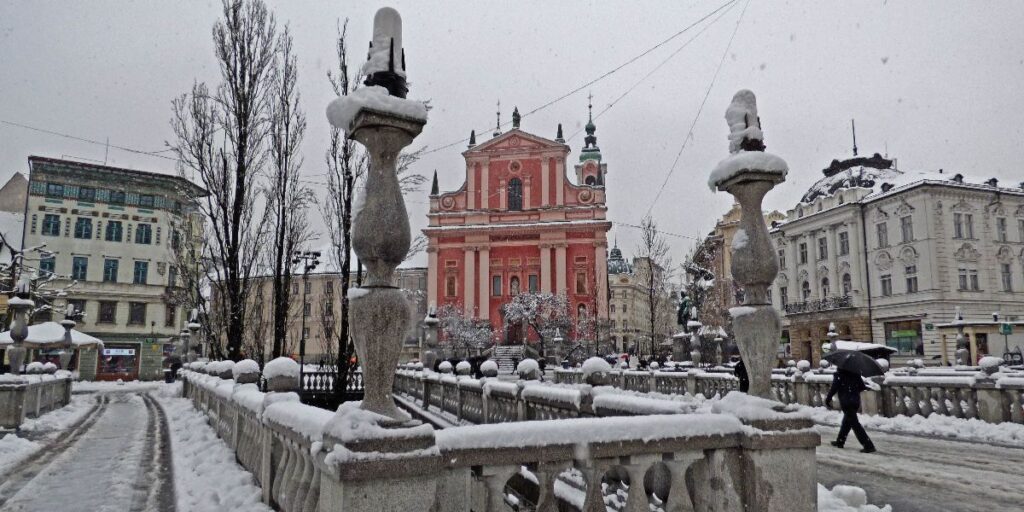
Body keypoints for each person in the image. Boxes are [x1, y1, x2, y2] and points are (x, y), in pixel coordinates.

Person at [825, 368, 876, 453]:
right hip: (855, 402)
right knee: (847, 422)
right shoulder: (855, 374)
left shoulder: (839, 375)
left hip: (846, 402)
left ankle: (868, 445)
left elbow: (834, 388)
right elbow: (861, 387)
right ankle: (840, 441)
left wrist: (828, 399)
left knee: (855, 425)